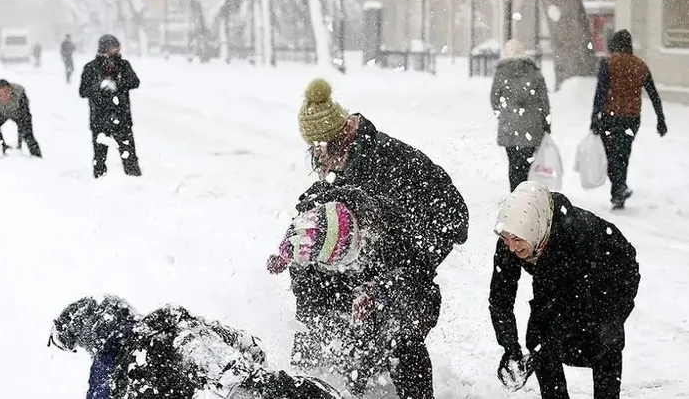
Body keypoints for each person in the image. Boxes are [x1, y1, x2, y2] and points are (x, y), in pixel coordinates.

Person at [271, 78, 469, 399]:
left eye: (323, 152)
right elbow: (314, 219)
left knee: (397, 330)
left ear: (343, 137)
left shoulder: (388, 165)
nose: (320, 163)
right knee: (324, 307)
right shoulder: (342, 170)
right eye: (313, 154)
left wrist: (379, 285)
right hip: (375, 251)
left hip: (420, 246)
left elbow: (443, 223)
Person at [488, 181, 640, 399]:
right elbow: (500, 297)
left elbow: (561, 301)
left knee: (603, 339)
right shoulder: (513, 236)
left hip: (610, 274)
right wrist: (509, 347)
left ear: (535, 230)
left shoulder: (574, 233)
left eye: (518, 240)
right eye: (506, 239)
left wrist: (611, 319)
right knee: (539, 338)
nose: (512, 247)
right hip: (565, 279)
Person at [47, 294, 343, 399]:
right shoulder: (165, 317)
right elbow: (246, 344)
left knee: (245, 390)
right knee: (257, 385)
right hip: (190, 339)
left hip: (155, 368)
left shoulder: (106, 365)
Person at [590, 29, 668, 209]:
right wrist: (660, 118)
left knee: (612, 156)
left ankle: (618, 189)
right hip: (631, 119)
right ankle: (619, 191)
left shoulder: (608, 63)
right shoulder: (639, 65)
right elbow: (653, 94)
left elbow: (600, 93)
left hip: (610, 117)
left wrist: (595, 116)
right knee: (623, 154)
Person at [490, 39, 552, 192]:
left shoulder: (502, 71)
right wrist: (546, 122)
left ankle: (515, 194)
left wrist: (503, 114)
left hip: (509, 126)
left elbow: (494, 98)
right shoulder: (534, 71)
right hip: (532, 124)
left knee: (513, 163)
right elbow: (544, 100)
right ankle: (524, 193)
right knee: (526, 164)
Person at [79, 34, 142, 178]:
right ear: (105, 48)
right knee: (100, 157)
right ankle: (100, 184)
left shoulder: (123, 65)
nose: (118, 50)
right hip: (99, 119)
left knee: (129, 156)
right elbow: (83, 91)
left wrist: (117, 85)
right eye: (114, 47)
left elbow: (135, 82)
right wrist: (99, 88)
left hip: (122, 118)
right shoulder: (91, 68)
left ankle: (136, 184)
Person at [0, 79, 42, 165]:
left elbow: (25, 119)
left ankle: (38, 159)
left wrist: (19, 144)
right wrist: (3, 144)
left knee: (28, 134)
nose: (3, 97)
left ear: (11, 90)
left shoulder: (20, 94)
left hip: (18, 113)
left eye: (6, 93)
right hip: (0, 114)